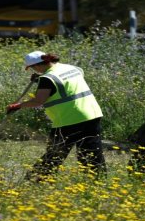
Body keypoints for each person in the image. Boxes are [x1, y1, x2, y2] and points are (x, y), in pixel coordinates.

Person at [6, 51, 107, 180]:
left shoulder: (47, 79)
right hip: (92, 113)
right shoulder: (72, 68)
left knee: (55, 153)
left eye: (32, 68)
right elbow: (65, 83)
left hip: (69, 119)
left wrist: (18, 106)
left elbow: (39, 101)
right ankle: (97, 180)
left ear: (37, 66)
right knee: (91, 151)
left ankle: (35, 180)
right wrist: (39, 80)